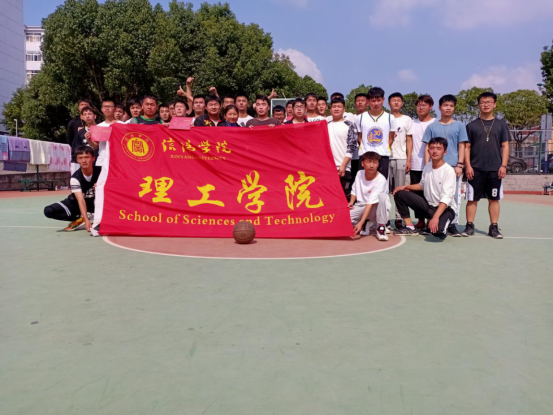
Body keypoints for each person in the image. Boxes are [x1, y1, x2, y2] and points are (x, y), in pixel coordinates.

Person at [463, 91, 510, 239]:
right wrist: (468, 166)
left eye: (489, 102)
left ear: (495, 104)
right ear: (478, 105)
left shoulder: (501, 125)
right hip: (475, 168)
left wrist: (503, 165)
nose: (486, 104)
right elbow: (467, 147)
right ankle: (469, 225)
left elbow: (505, 146)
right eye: (483, 102)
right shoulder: (471, 125)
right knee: (472, 199)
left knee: (494, 199)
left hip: (495, 169)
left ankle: (493, 227)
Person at [422, 94, 468, 236]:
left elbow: (462, 145)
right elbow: (427, 147)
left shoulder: (460, 125)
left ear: (454, 108)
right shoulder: (432, 126)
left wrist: (460, 164)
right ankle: (432, 221)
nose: (448, 108)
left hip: (453, 166)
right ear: (439, 107)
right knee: (432, 195)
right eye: (445, 105)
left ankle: (453, 224)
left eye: (451, 106)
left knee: (454, 197)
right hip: (435, 167)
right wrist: (427, 165)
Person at [393, 137, 456, 240]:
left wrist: (436, 217)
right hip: (428, 207)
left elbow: (446, 197)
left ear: (445, 152)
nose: (435, 151)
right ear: (428, 150)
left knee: (438, 233)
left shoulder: (448, 171)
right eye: (432, 148)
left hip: (445, 210)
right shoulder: (427, 167)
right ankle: (410, 227)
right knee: (399, 193)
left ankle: (443, 224)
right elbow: (422, 185)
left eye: (439, 148)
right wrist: (404, 186)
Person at [44, 146, 101, 232]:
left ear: (93, 158)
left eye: (87, 157)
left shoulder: (102, 172)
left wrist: (103, 185)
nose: (84, 161)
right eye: (80, 158)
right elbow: (80, 200)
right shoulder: (75, 178)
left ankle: (95, 215)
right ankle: (80, 218)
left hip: (96, 204)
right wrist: (85, 219)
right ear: (77, 160)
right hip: (76, 204)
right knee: (48, 211)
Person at [90, 98, 124, 236]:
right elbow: (95, 146)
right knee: (101, 190)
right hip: (102, 162)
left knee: (118, 191)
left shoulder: (122, 125)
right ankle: (99, 221)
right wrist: (89, 139)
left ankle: (120, 219)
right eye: (105, 106)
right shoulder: (99, 126)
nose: (107, 109)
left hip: (119, 164)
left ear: (115, 108)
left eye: (110, 106)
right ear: (102, 109)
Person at [407, 94, 435, 231]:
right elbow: (409, 142)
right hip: (415, 164)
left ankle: (431, 219)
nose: (421, 107)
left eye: (424, 105)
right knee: (417, 194)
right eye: (419, 105)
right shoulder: (412, 123)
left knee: (431, 193)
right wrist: (409, 159)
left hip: (432, 165)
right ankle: (420, 220)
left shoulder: (435, 123)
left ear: (431, 107)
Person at [349, 151, 390, 241]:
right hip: (361, 206)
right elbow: (354, 190)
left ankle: (381, 227)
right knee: (343, 219)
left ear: (378, 164)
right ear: (362, 163)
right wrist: (351, 202)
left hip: (376, 208)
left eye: (375, 162)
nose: (372, 166)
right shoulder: (359, 173)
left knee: (382, 197)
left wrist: (361, 222)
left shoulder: (381, 179)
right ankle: (367, 222)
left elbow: (370, 202)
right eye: (369, 162)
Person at [357, 87, 396, 179]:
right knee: (364, 183)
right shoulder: (360, 118)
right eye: (373, 101)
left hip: (382, 157)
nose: (376, 103)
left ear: (383, 100)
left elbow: (391, 138)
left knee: (381, 184)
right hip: (365, 156)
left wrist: (382, 149)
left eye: (379, 100)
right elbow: (359, 137)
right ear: (368, 101)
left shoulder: (390, 118)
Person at [388, 92, 413, 229]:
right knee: (385, 191)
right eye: (394, 100)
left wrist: (409, 160)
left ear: (402, 103)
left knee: (399, 191)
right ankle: (385, 218)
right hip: (386, 158)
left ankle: (399, 218)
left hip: (401, 158)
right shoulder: (385, 118)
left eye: (398, 100)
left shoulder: (407, 119)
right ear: (388, 103)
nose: (396, 102)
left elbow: (409, 140)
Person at [327, 97, 358, 198]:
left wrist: (343, 166)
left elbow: (351, 147)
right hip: (328, 169)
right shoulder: (325, 125)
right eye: (334, 106)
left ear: (344, 109)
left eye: (339, 107)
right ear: (330, 109)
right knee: (330, 198)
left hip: (344, 168)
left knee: (344, 198)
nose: (336, 109)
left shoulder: (350, 125)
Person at [71, 106, 98, 174]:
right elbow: (77, 148)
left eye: (89, 114)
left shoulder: (101, 129)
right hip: (86, 164)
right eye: (85, 114)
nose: (87, 116)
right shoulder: (80, 133)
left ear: (95, 116)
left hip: (99, 161)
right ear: (82, 117)